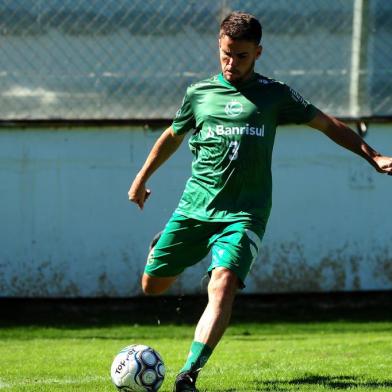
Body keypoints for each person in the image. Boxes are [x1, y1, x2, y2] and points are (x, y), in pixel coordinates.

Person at [128, 11, 392, 392]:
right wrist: (141, 180)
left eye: (242, 56)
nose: (231, 64)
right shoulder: (199, 93)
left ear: (259, 52)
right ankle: (163, 245)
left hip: (245, 213)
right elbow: (172, 135)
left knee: (222, 284)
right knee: (151, 287)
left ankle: (189, 374)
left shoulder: (275, 95)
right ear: (219, 47)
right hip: (194, 208)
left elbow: (328, 124)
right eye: (226, 54)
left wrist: (373, 155)